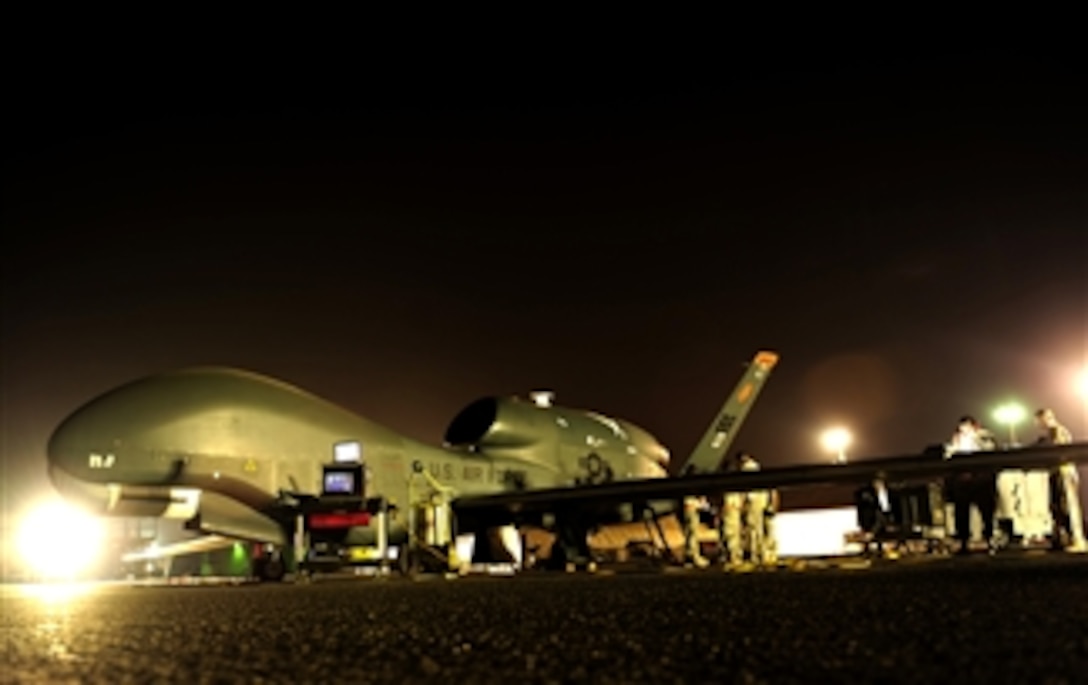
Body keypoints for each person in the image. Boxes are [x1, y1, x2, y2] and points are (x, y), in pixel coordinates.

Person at [944, 415, 998, 554]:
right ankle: (964, 541)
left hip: (981, 481)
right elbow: (949, 457)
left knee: (986, 512)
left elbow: (990, 452)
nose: (964, 431)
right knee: (962, 513)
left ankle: (989, 539)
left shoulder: (985, 438)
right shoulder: (956, 440)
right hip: (964, 482)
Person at [1035, 408, 1086, 552]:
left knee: (1065, 506)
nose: (1038, 424)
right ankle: (1062, 538)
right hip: (1057, 472)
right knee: (1056, 506)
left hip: (1063, 472)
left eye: (1039, 420)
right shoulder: (1050, 434)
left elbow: (1059, 450)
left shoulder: (1057, 431)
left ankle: (1072, 538)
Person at [720, 451, 777, 569]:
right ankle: (760, 554)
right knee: (757, 529)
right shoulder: (757, 469)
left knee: (751, 529)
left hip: (751, 502)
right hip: (759, 502)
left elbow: (746, 490)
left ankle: (753, 555)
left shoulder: (746, 470)